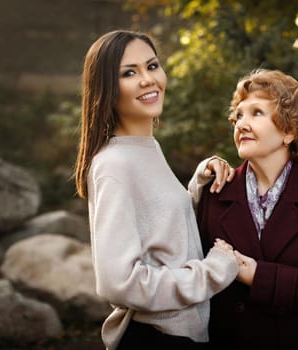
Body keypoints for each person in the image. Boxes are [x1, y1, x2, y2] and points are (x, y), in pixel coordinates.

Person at [74, 30, 239, 350]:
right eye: (129, 73)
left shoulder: (147, 147)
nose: (148, 79)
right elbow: (118, 283)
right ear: (107, 88)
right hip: (156, 339)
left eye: (151, 66)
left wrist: (198, 185)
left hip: (184, 335)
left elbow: (161, 231)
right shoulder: (115, 164)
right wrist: (212, 272)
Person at [194, 69, 298, 350]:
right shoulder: (215, 191)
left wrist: (260, 277)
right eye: (239, 115)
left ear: (289, 131)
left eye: (256, 113)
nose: (241, 124)